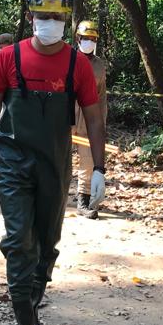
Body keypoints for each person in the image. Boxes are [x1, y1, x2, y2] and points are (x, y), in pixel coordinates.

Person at [0, 0, 108, 325]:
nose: (50, 21)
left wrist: (99, 168)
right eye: (43, 14)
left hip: (55, 165)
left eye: (57, 15)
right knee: (19, 243)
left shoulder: (78, 65)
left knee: (46, 244)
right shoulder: (8, 58)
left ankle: (31, 309)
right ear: (30, 15)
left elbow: (94, 119)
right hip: (14, 163)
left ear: (65, 18)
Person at [73, 20, 109, 219]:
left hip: (89, 119)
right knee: (56, 156)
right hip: (66, 118)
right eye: (86, 38)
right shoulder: (68, 60)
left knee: (87, 160)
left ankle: (83, 200)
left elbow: (101, 97)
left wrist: (101, 123)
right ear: (78, 38)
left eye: (93, 39)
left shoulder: (99, 66)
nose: (89, 42)